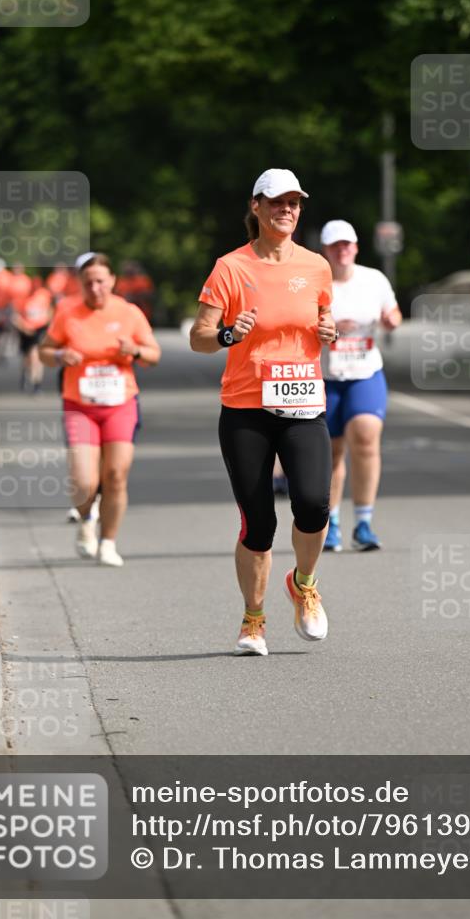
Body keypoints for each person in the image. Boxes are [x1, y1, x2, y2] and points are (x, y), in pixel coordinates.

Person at [190, 168, 337, 656]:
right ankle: (254, 621)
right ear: (256, 207)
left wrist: (327, 331)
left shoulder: (316, 266)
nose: (287, 210)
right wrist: (231, 334)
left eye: (294, 202)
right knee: (258, 523)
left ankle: (304, 583)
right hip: (245, 408)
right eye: (276, 202)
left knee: (315, 504)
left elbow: (321, 316)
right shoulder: (231, 267)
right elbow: (199, 337)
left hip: (302, 403)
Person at [39, 253, 161, 566]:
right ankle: (85, 522)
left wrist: (133, 350)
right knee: (84, 482)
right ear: (80, 284)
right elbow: (44, 351)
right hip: (80, 406)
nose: (95, 288)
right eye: (88, 282)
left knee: (116, 475)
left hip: (120, 404)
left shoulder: (129, 312)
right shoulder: (68, 312)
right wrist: (59, 355)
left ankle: (108, 542)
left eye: (101, 282)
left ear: (112, 282)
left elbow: (153, 355)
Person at [320, 220, 401, 552]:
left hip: (365, 372)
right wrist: (330, 326)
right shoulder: (315, 281)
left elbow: (392, 311)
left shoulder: (373, 279)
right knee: (331, 452)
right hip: (325, 376)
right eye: (336, 245)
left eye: (348, 244)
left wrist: (391, 320)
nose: (343, 250)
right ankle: (333, 522)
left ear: (356, 247)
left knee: (366, 438)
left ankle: (364, 523)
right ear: (325, 250)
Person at [12, 277, 53, 393]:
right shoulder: (22, 298)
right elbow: (15, 317)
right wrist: (23, 328)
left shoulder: (44, 295)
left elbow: (50, 310)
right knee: (27, 358)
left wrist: (49, 324)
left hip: (40, 329)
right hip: (26, 330)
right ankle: (24, 375)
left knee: (36, 356)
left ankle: (37, 383)